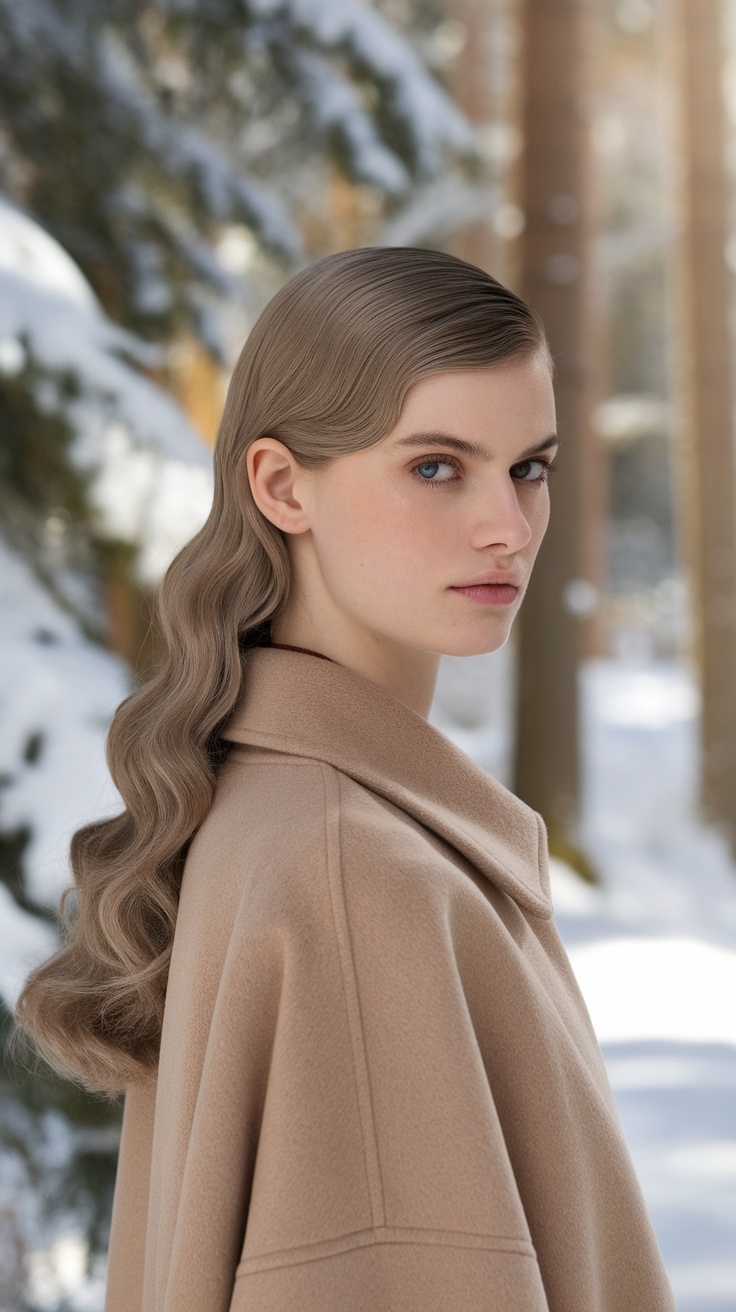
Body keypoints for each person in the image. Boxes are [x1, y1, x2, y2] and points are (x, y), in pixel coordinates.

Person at [15, 247, 675, 1311]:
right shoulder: (357, 871)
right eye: (435, 466)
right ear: (282, 486)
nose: (507, 525)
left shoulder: (280, 809)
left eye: (529, 466)